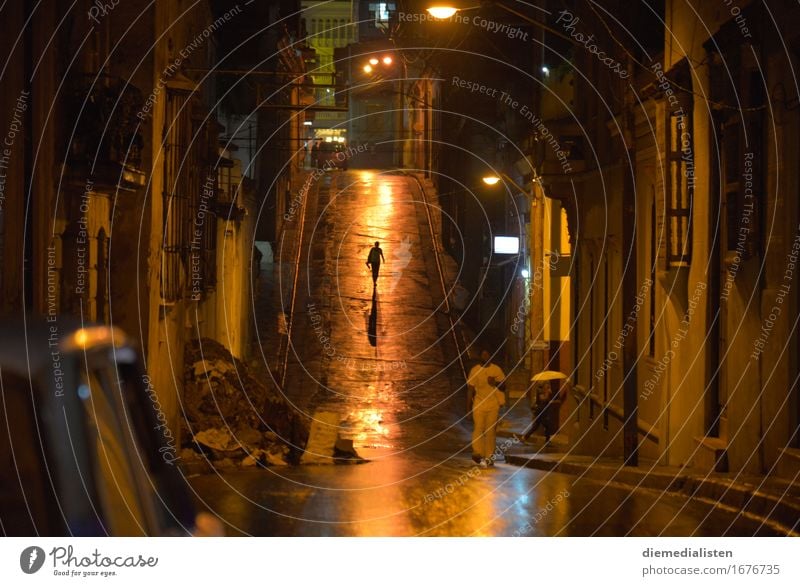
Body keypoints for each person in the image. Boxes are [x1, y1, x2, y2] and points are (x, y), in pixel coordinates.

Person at [467, 350, 506, 467]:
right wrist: (468, 408)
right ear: (480, 356)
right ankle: (478, 452)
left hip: (493, 405)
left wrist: (495, 382)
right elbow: (470, 390)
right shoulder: (475, 370)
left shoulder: (496, 370)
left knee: (490, 431)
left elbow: (504, 387)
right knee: (478, 428)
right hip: (479, 405)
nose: (485, 356)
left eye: (487, 354)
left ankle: (489, 456)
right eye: (483, 354)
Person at [522, 380, 566, 445]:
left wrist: (555, 401)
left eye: (548, 384)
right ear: (543, 385)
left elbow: (548, 402)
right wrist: (547, 393)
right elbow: (543, 400)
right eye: (546, 384)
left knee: (538, 426)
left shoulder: (545, 391)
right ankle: (547, 441)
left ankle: (525, 437)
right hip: (540, 411)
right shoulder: (540, 391)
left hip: (543, 411)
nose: (548, 385)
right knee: (546, 425)